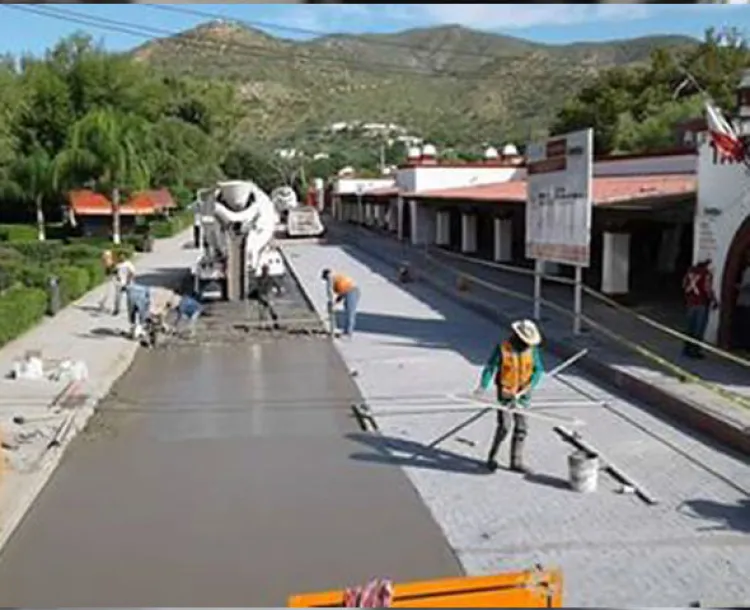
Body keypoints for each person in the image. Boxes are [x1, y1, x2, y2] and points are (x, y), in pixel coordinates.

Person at [474, 319, 545, 474]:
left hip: (524, 394)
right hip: (506, 392)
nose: (527, 344)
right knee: (504, 427)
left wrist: (530, 385)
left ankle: (516, 461)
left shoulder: (532, 350)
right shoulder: (503, 348)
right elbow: (490, 367)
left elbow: (538, 370)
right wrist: (482, 386)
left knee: (522, 427)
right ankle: (492, 457)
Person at [682, 259, 718, 359]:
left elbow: (684, 285)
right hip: (702, 303)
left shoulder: (690, 272)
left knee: (690, 327)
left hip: (690, 303)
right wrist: (714, 300)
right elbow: (707, 289)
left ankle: (686, 348)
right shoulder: (706, 274)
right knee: (699, 328)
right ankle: (695, 351)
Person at [322, 268, 360, 337]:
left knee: (350, 312)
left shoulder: (331, 278)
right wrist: (336, 301)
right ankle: (347, 331)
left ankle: (348, 332)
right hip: (347, 292)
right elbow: (341, 291)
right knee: (348, 311)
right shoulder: (335, 279)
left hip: (352, 291)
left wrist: (332, 302)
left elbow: (330, 291)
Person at [735, 252, 750, 351]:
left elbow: (746, 286)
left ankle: (745, 346)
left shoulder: (748, 270)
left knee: (745, 325)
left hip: (746, 302)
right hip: (745, 302)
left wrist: (737, 286)